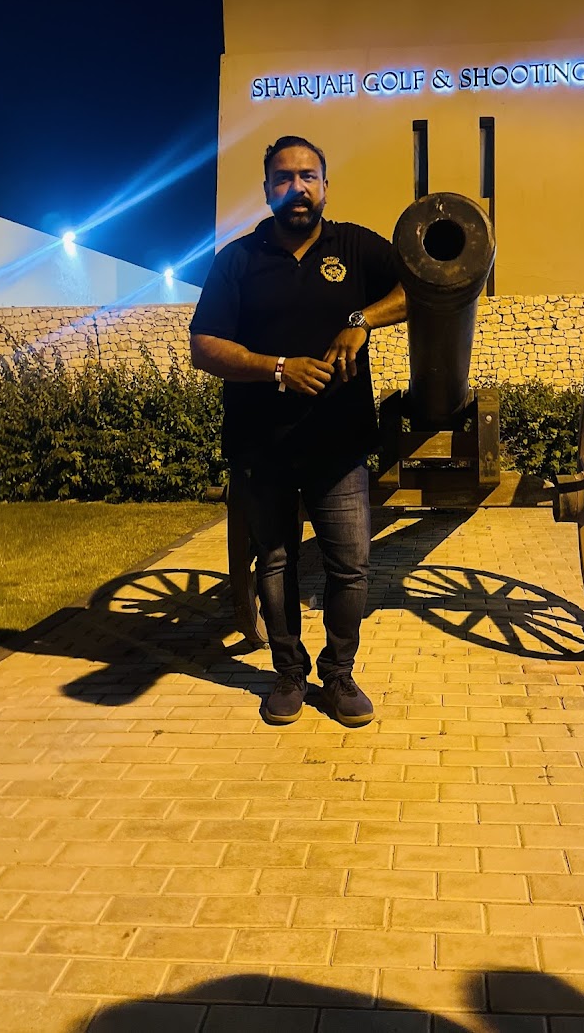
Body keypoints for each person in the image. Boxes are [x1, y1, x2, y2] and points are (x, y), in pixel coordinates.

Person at [190, 135, 406, 727]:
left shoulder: (356, 246)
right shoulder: (238, 259)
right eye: (284, 178)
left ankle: (338, 675)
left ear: (325, 186)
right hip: (263, 445)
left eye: (308, 176)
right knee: (276, 562)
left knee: (351, 566)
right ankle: (288, 674)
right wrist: (278, 368)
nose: (297, 188)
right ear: (267, 191)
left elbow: (415, 290)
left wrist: (361, 319)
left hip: (340, 445)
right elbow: (203, 345)